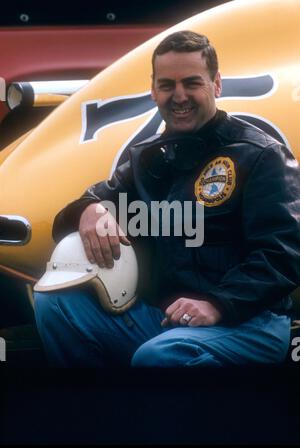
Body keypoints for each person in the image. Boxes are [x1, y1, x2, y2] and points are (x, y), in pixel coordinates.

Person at [34, 30, 300, 367]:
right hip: (167, 322)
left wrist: (218, 303)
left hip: (248, 322)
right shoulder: (147, 159)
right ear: (153, 90)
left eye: (192, 83)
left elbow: (285, 254)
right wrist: (88, 209)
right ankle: (98, 413)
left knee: (160, 357)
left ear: (216, 84)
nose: (179, 96)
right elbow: (79, 211)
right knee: (54, 304)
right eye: (167, 85)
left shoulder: (262, 155)